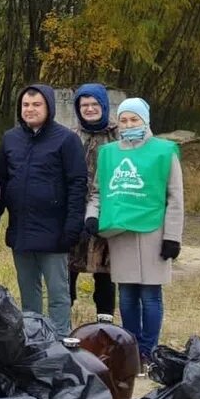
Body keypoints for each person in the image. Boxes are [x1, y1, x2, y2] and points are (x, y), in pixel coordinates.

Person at [88, 98, 183, 369]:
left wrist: (172, 237)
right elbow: (98, 191)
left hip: (154, 231)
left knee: (151, 295)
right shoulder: (109, 153)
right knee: (127, 294)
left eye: (134, 120)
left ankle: (148, 350)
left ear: (145, 121)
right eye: (124, 120)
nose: (129, 125)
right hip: (121, 232)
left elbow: (175, 197)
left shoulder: (164, 152)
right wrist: (92, 216)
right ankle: (131, 348)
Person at [0, 84, 87, 334]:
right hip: (21, 231)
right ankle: (33, 338)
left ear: (49, 107)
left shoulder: (67, 140)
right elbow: (2, 181)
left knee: (58, 293)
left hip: (55, 232)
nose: (30, 109)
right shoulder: (10, 139)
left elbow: (77, 184)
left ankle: (61, 341)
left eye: (36, 104)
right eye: (26, 105)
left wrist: (73, 226)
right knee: (28, 292)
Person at [70, 83, 120, 317]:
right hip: (74, 209)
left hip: (108, 210)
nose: (89, 109)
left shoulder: (117, 135)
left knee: (106, 270)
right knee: (68, 265)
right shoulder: (71, 136)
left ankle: (105, 321)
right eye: (84, 105)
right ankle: (61, 318)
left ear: (104, 105)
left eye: (94, 104)